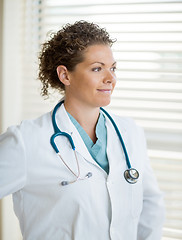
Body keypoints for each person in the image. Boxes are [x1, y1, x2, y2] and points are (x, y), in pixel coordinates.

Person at [0, 21, 165, 240]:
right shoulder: (26, 141)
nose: (110, 79)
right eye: (97, 68)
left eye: (112, 68)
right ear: (65, 75)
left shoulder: (130, 133)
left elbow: (150, 206)